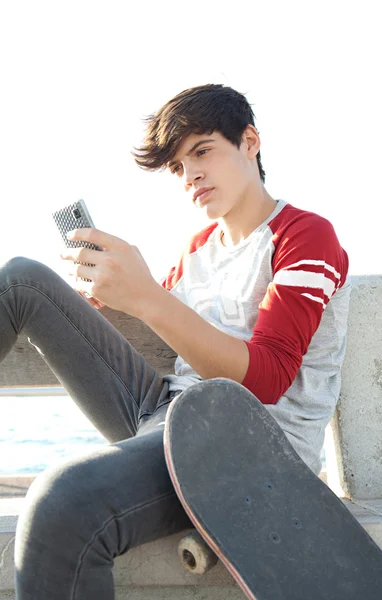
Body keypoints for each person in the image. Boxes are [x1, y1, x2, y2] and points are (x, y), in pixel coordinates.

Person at [0, 83, 350, 599]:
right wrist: (112, 295)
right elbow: (161, 317)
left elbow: (268, 378)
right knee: (23, 280)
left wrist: (144, 297)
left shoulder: (305, 236)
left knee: (62, 499)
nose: (191, 176)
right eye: (179, 168)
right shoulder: (198, 249)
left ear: (250, 142)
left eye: (202, 152)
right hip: (167, 413)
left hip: (249, 451)